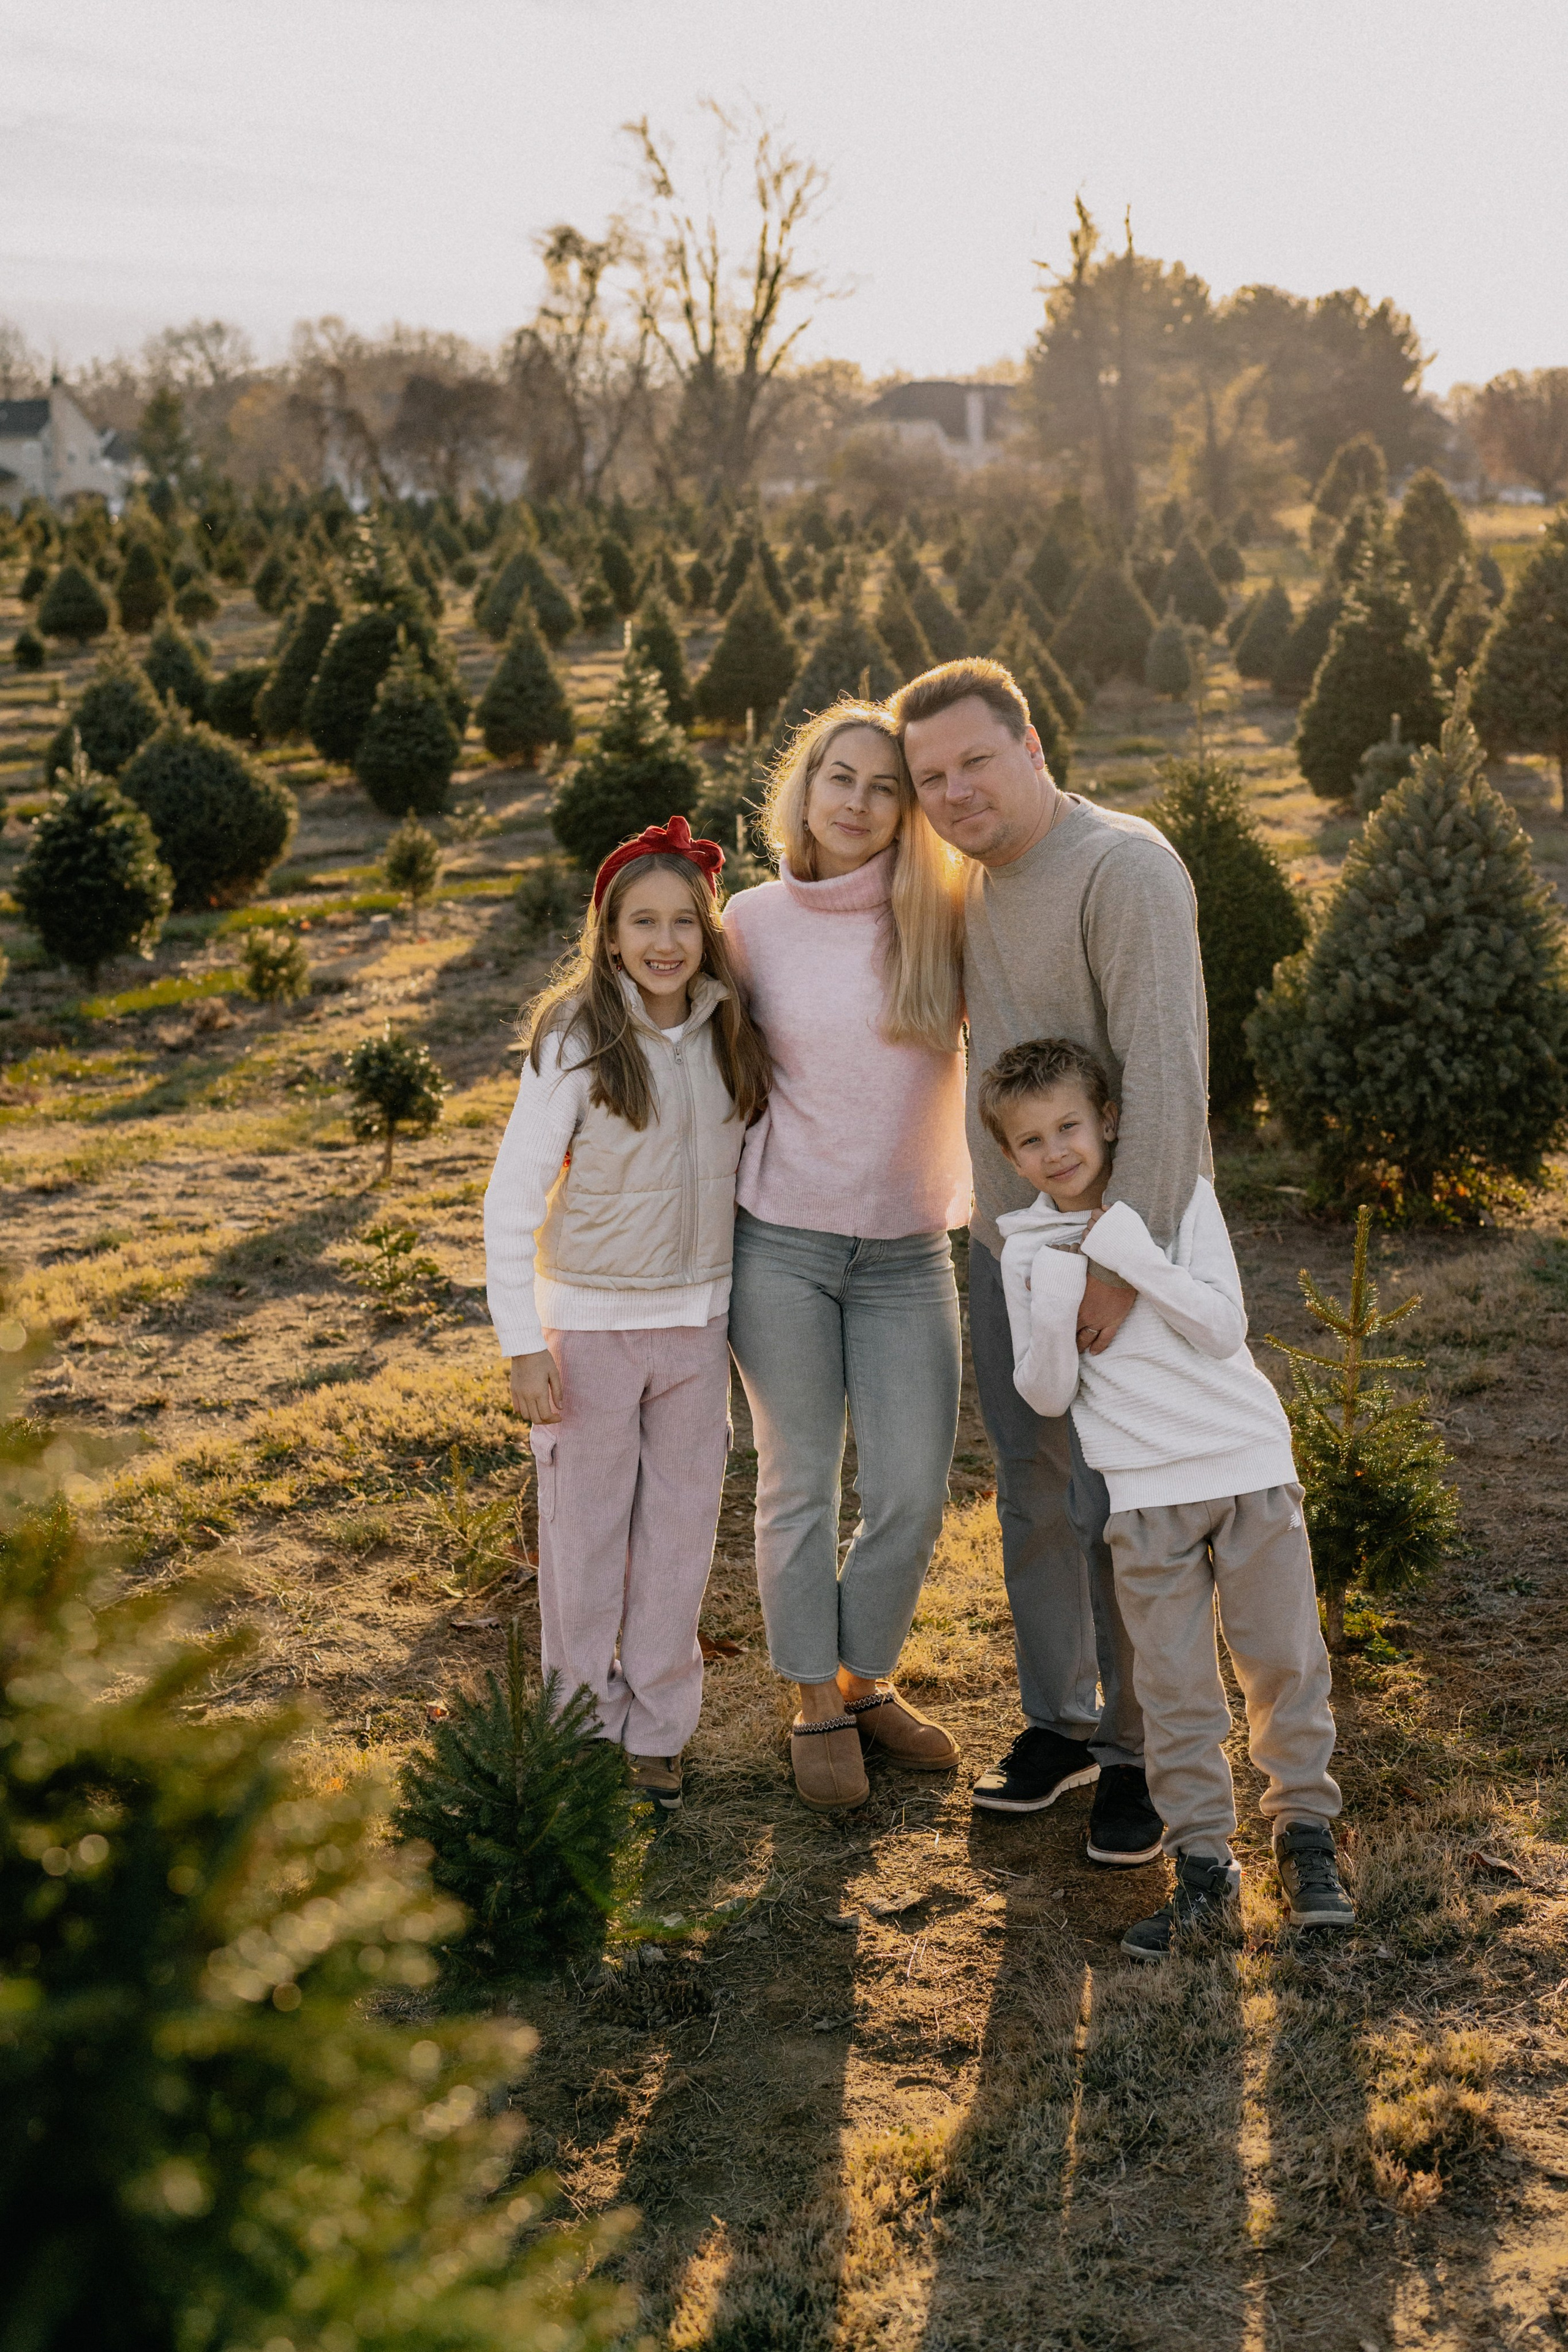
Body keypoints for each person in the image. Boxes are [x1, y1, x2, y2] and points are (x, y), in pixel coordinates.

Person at [893, 657, 1208, 1865]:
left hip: (1113, 1245)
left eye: (974, 759)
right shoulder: (966, 885)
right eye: (931, 777)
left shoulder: (1120, 867)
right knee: (1032, 1489)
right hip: (1005, 1243)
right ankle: (1058, 1723)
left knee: (1121, 1497)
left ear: (1031, 744)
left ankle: (1138, 1753)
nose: (955, 791)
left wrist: (1122, 1263)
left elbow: (1166, 1070)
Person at [979, 1034, 1354, 1956]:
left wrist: (1126, 1257)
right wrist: (1068, 1285)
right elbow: (1047, 1394)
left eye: (1069, 1125)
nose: (1055, 1151)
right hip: (1142, 1497)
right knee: (1176, 1690)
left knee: (1283, 1664)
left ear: (1107, 1120)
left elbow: (1223, 1327)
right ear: (1009, 1157)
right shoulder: (1025, 1248)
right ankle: (1202, 1868)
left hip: (1245, 1466)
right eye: (1030, 1141)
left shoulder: (1182, 1199)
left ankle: (1304, 1836)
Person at [483, 815, 771, 1813]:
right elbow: (512, 1199)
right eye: (641, 923)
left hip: (697, 1332)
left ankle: (657, 1730)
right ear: (609, 936)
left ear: (709, 929)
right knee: (586, 1538)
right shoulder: (577, 1036)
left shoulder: (731, 1025)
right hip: (592, 1331)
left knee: (683, 1533)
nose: (663, 942)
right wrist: (525, 1344)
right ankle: (578, 1724)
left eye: (682, 922)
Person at [723, 700, 971, 1812]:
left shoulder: (943, 912)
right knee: (799, 1485)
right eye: (843, 778)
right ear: (806, 786)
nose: (862, 803)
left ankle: (865, 1680)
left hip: (908, 1252)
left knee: (914, 1488)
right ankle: (811, 1702)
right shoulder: (749, 923)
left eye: (886, 787)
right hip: (780, 1244)